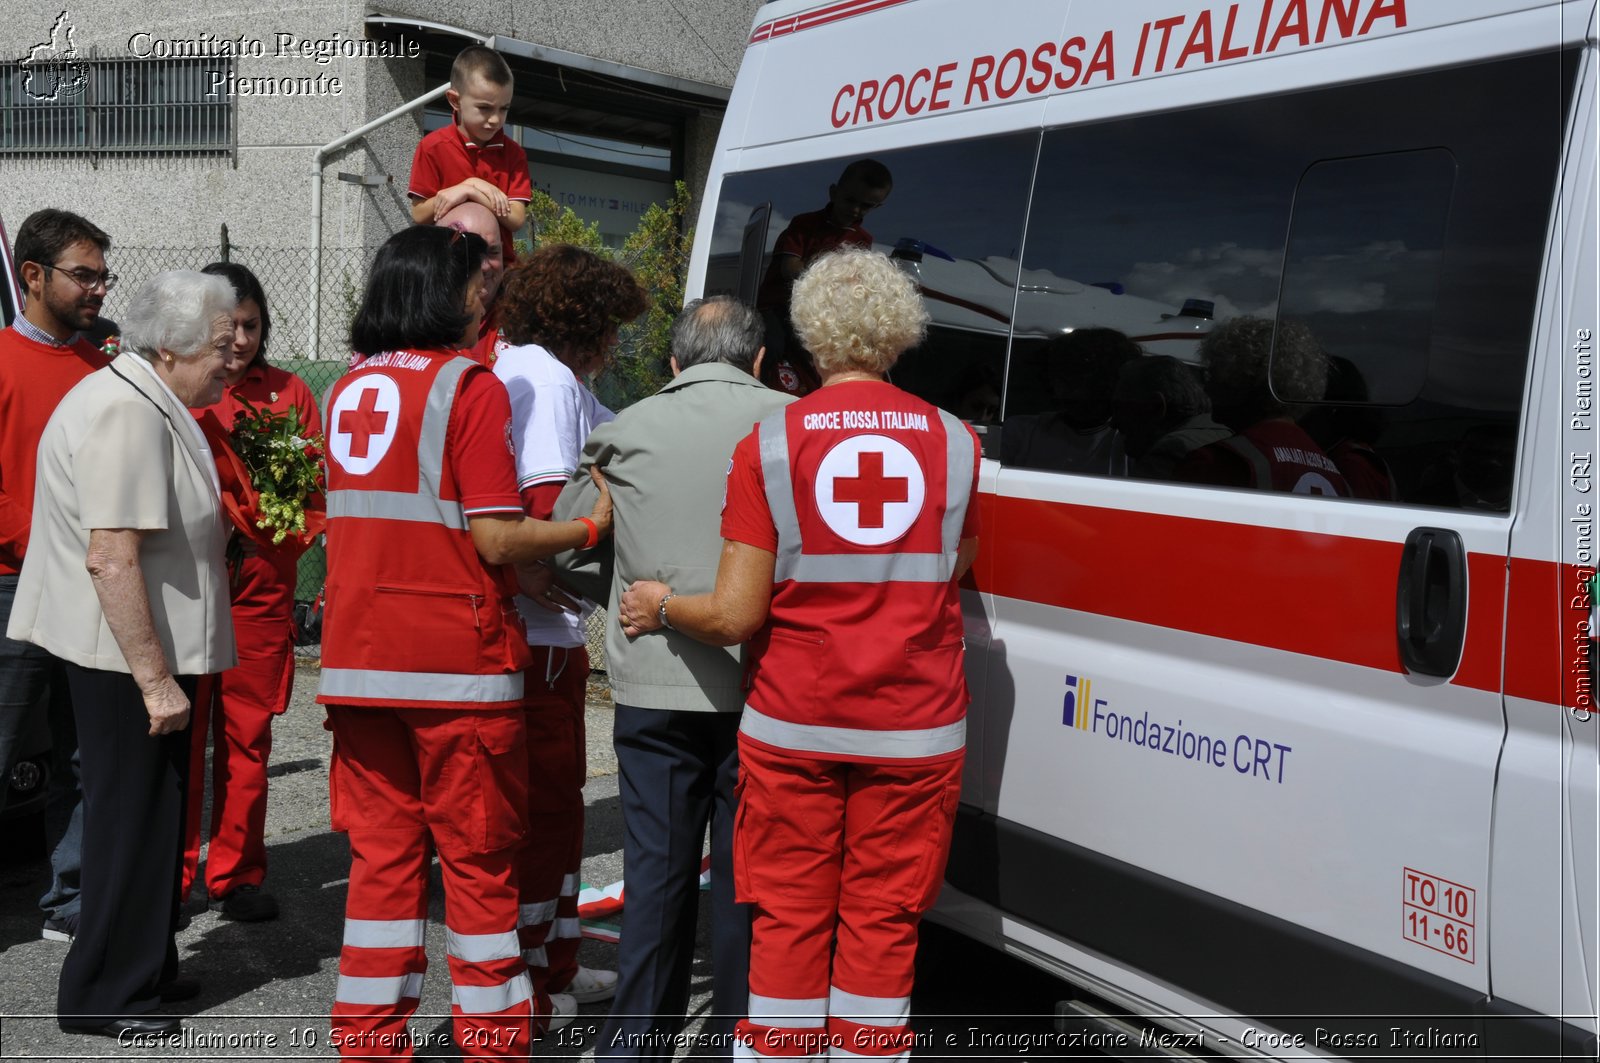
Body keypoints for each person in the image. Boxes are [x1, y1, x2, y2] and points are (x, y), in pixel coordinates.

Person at [619, 248, 980, 1062]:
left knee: (787, 917)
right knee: (882, 926)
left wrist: (664, 603)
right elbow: (955, 560)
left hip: (796, 724)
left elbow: (739, 612)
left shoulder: (771, 441)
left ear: (810, 339)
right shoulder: (956, 443)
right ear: (900, 337)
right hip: (914, 729)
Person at [319, 225, 612, 1059]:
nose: (488, 294)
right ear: (438, 293)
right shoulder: (466, 386)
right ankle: (493, 1044)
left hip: (358, 662)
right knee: (481, 869)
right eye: (477, 282)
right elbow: (495, 538)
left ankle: (368, 1040)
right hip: (455, 665)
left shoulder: (347, 388)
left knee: (382, 866)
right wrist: (590, 524)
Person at [552, 296, 793, 1060]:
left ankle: (633, 1047)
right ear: (758, 359)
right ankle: (736, 1042)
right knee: (746, 882)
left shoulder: (623, 432)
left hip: (654, 682)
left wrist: (629, 592)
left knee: (655, 879)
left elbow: (562, 546)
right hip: (763, 684)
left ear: (674, 362)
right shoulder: (795, 425)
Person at [8, 270, 241, 1038]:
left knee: (154, 820)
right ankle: (103, 992)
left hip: (144, 656)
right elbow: (111, 554)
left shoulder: (147, 396)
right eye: (217, 344)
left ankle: (143, 967)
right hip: (127, 662)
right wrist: (155, 680)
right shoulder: (126, 410)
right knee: (128, 822)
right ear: (170, 347)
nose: (230, 356)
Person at [492, 243, 647, 1020]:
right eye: (611, 327)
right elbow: (552, 507)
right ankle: (536, 980)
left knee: (544, 814)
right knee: (549, 815)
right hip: (543, 635)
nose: (616, 344)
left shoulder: (515, 364)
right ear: (583, 323)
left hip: (532, 628)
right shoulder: (550, 382)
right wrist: (571, 572)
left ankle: (549, 962)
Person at [178, 261, 323, 924]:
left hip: (261, 590)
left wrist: (261, 523)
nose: (238, 339)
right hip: (186, 586)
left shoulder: (290, 393)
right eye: (226, 325)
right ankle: (173, 874)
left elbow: (307, 496)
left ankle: (234, 871)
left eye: (250, 325)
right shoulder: (179, 386)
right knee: (182, 736)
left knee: (249, 735)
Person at [0, 209, 114, 946]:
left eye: (103, 276)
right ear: (32, 275)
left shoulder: (102, 370)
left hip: (92, 585)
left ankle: (68, 897)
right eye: (84, 275)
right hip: (11, 585)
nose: (98, 290)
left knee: (80, 753)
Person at [755, 159, 893, 396]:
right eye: (850, 200)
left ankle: (816, 398)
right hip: (778, 307)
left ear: (878, 207)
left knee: (823, 356)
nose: (856, 210)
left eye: (866, 206)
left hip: (818, 312)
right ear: (834, 192)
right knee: (773, 347)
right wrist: (833, 275)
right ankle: (760, 392)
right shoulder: (804, 224)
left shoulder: (863, 239)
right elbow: (790, 269)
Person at [1177, 316, 1350, 497]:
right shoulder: (1335, 474)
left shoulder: (1220, 462)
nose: (1206, 386)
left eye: (1213, 374)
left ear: (1241, 380)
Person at [409, 45, 531, 264]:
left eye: (504, 109)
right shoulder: (433, 147)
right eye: (485, 108)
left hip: (498, 271)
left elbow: (516, 219)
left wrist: (472, 191)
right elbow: (419, 214)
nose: (495, 119)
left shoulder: (514, 154)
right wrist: (468, 186)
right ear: (455, 101)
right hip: (445, 267)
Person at [1001, 327, 1139, 474]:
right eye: (1063, 377)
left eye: (1084, 380)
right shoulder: (1021, 431)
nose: (1068, 390)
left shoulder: (1132, 445)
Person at [1110, 354, 1229, 480]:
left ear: (1156, 407)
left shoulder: (1166, 456)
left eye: (1121, 409)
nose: (1114, 423)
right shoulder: (1227, 436)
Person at [438, 200, 508, 366]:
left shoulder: (526, 320)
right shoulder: (411, 328)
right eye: (471, 254)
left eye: (493, 252)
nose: (484, 266)